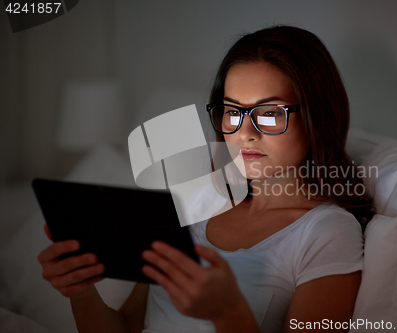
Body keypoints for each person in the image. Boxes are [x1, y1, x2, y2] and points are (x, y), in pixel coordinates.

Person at [38, 25, 375, 333]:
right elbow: (127, 326)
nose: (245, 133)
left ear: (317, 119)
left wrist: (228, 312)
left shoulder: (326, 233)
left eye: (270, 113)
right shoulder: (193, 204)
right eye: (232, 111)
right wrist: (80, 291)